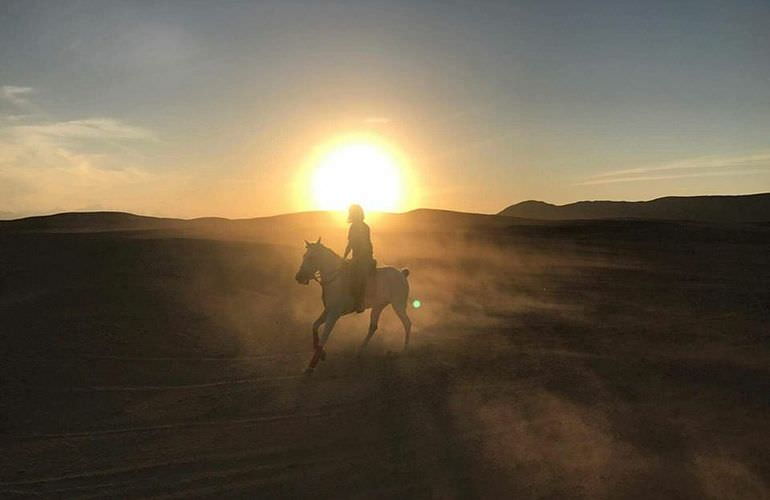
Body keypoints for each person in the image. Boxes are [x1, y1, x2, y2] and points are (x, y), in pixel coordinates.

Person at [343, 204, 374, 313]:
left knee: (359, 277)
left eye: (351, 212)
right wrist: (344, 257)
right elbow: (350, 244)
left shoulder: (364, 227)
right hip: (356, 257)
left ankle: (360, 302)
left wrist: (357, 258)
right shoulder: (353, 227)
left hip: (365, 257)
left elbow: (365, 245)